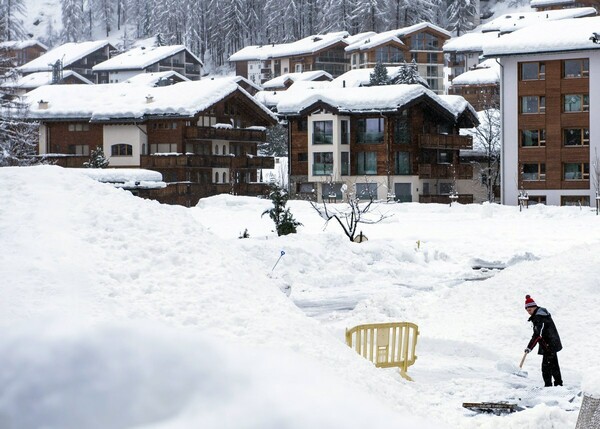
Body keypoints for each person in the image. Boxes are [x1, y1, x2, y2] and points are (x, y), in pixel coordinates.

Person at [524, 294, 563, 387]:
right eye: (527, 310)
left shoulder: (539, 317)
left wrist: (529, 347)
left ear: (534, 307)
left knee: (547, 367)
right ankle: (557, 385)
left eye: (530, 310)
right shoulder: (540, 314)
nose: (529, 312)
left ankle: (551, 386)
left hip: (549, 344)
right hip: (550, 343)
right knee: (552, 365)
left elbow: (537, 335)